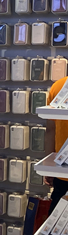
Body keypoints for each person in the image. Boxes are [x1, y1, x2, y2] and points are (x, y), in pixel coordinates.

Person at [45, 76, 68, 211]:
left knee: (57, 219)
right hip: (62, 173)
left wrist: (48, 167)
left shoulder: (58, 86)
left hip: (62, 170)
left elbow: (50, 130)